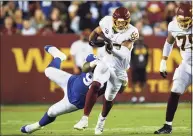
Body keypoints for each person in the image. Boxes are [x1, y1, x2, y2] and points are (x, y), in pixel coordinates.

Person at [74, 7, 139, 135]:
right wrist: (92, 40)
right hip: (106, 60)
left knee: (109, 98)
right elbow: (96, 32)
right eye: (118, 22)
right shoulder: (106, 21)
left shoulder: (132, 32)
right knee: (95, 84)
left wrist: (111, 47)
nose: (121, 25)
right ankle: (84, 118)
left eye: (123, 22)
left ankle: (101, 122)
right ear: (114, 20)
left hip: (120, 68)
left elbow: (124, 55)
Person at [20, 45, 105, 134]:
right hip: (71, 80)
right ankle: (59, 56)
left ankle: (36, 126)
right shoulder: (96, 60)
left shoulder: (109, 78)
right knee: (48, 71)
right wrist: (93, 64)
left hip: (74, 100)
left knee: (52, 112)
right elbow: (85, 66)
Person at [154, 3, 192, 134]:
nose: (183, 23)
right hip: (186, 66)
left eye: (187, 20)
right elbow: (169, 42)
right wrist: (163, 61)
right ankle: (167, 125)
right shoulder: (173, 25)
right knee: (175, 90)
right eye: (181, 20)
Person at [130, 36, 148, 103]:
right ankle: (134, 97)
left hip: (143, 68)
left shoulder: (145, 47)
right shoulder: (134, 48)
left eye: (141, 40)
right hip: (135, 68)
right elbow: (131, 57)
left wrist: (145, 65)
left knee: (142, 83)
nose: (140, 41)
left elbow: (147, 57)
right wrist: (133, 66)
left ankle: (142, 97)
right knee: (134, 83)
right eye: (139, 40)